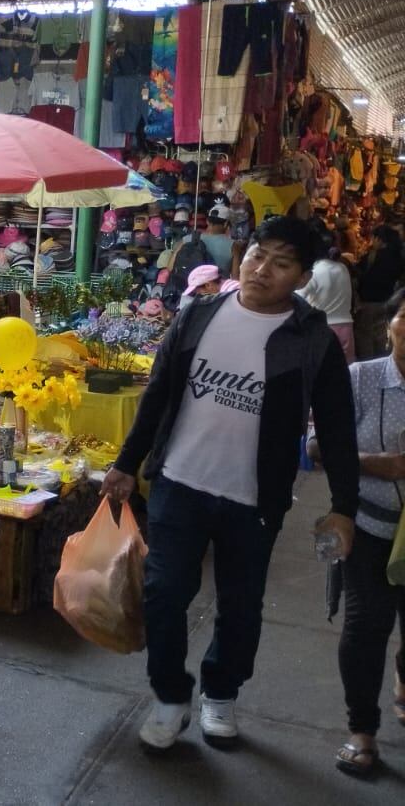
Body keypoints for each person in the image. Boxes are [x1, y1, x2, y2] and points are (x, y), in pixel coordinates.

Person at [102, 216, 360, 751]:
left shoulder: (311, 341)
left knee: (240, 604)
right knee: (164, 593)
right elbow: (158, 394)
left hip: (254, 500)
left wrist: (344, 505)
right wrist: (128, 462)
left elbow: (337, 428)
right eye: (258, 255)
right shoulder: (199, 314)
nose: (262, 269)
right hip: (179, 482)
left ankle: (221, 694)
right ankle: (171, 696)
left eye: (281, 263)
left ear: (302, 276)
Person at [316, 287, 405, 776]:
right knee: (367, 626)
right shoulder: (360, 379)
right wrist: (378, 465)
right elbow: (314, 446)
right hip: (370, 523)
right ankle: (362, 731)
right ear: (388, 324)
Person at [298, 229, 356, 363]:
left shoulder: (314, 272)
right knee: (347, 371)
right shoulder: (342, 268)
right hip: (346, 326)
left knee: (322, 372)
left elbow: (298, 298)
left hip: (323, 327)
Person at [354, 226, 403, 360]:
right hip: (387, 301)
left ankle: (369, 363)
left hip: (368, 302)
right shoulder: (397, 256)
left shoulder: (372, 256)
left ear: (379, 239)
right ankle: (381, 360)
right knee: (380, 333)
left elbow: (358, 273)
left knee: (364, 335)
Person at [201, 204, 234, 272]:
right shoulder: (233, 246)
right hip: (217, 282)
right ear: (226, 224)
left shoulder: (186, 240)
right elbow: (235, 279)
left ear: (207, 221)